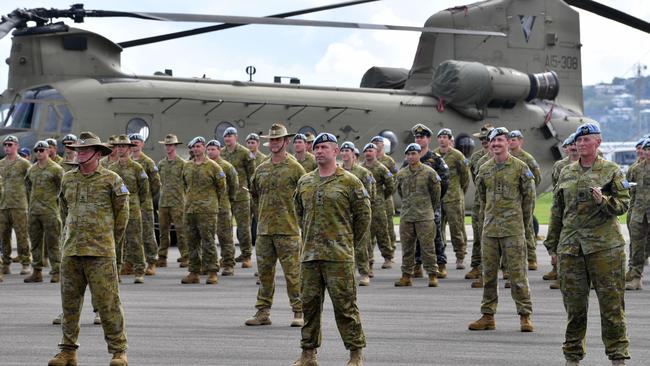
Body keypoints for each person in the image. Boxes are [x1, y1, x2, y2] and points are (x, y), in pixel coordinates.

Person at [544, 123, 630, 366]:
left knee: (612, 306)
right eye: (578, 141)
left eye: (586, 140)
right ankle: (572, 357)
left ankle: (617, 357)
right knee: (574, 307)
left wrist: (604, 201)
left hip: (605, 249)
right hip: (571, 248)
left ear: (598, 143)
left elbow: (623, 205)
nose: (581, 144)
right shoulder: (565, 172)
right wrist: (553, 245)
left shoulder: (612, 171)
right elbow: (557, 210)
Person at [47, 131, 129, 366]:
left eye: (84, 150)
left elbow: (122, 215)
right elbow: (64, 210)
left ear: (97, 154)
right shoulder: (68, 179)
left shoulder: (111, 179)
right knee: (69, 304)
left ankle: (118, 351)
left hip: (101, 252)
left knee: (108, 303)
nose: (79, 153)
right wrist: (69, 237)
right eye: (78, 150)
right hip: (72, 250)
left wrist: (109, 241)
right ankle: (67, 351)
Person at [292, 132, 371, 366]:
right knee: (309, 306)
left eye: (324, 147)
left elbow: (363, 217)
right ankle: (308, 354)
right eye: (316, 148)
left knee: (345, 306)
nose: (319, 151)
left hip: (339, 256)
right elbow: (299, 212)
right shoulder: (305, 181)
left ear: (336, 152)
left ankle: (355, 354)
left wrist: (347, 243)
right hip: (310, 256)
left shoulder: (350, 182)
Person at [469, 127, 535, 333]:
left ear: (508, 142)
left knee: (517, 275)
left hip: (513, 230)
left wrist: (522, 225)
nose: (495, 144)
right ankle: (488, 316)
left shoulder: (520, 168)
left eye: (499, 140)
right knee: (488, 275)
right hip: (490, 231)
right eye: (492, 141)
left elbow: (529, 200)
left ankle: (525, 316)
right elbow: (480, 199)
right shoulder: (484, 168)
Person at [245, 124, 306, 327]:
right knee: (264, 274)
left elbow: (304, 198)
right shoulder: (261, 168)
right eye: (271, 140)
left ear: (286, 142)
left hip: (288, 230)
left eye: (278, 140)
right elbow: (254, 195)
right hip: (264, 230)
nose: (274, 143)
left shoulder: (296, 169)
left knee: (293, 273)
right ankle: (263, 312)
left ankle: (299, 311)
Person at [181, 136, 227, 285]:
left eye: (199, 146)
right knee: (192, 242)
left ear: (204, 148)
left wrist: (212, 203)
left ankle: (212, 271)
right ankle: (194, 272)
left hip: (207, 210)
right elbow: (184, 185)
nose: (196, 149)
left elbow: (222, 188)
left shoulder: (213, 167)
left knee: (208, 241)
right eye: (193, 147)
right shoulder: (187, 166)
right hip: (190, 209)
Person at [394, 143, 441, 287]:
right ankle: (406, 276)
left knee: (428, 247)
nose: (410, 156)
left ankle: (432, 275)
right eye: (408, 154)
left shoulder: (429, 172)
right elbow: (401, 193)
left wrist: (428, 209)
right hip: (407, 216)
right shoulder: (401, 173)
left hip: (424, 216)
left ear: (419, 154)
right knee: (407, 248)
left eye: (413, 154)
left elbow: (436, 194)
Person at [408, 124, 450, 278]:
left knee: (436, 233)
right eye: (417, 137)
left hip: (431, 204)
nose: (419, 139)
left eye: (422, 137)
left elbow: (445, 181)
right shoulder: (410, 159)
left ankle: (441, 263)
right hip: (414, 205)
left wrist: (435, 200)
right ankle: (417, 265)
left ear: (428, 139)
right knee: (414, 235)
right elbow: (402, 182)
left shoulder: (435, 159)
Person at [108, 135, 149, 284]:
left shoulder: (137, 167)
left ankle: (139, 271)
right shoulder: (111, 168)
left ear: (129, 148)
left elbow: (145, 190)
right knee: (116, 241)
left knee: (135, 240)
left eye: (123, 146)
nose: (119, 149)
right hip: (116, 210)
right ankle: (116, 271)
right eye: (118, 146)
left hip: (132, 208)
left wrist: (136, 202)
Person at [24, 141, 64, 284]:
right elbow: (28, 187)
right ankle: (37, 272)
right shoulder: (32, 170)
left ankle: (56, 271)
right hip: (34, 211)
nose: (39, 152)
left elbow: (62, 188)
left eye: (42, 150)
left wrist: (55, 202)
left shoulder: (56, 169)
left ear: (48, 151)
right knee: (35, 243)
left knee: (53, 242)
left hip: (50, 211)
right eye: (37, 150)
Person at [545, 133, 579, 290]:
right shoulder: (560, 166)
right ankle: (560, 274)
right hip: (564, 211)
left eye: (575, 144)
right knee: (560, 242)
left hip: (583, 212)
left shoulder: (589, 164)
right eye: (569, 144)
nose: (572, 147)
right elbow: (556, 188)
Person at [434, 128, 470, 269]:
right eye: (440, 137)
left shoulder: (457, 156)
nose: (442, 139)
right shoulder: (434, 155)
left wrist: (459, 192)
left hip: (454, 198)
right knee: (438, 229)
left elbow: (465, 178)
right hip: (439, 197)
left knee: (457, 228)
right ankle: (440, 256)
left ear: (450, 140)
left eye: (445, 137)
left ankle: (460, 256)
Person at [340, 141, 374, 286]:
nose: (345, 153)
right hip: (343, 214)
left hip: (359, 213)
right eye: (343, 150)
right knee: (344, 244)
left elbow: (370, 193)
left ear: (354, 154)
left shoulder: (363, 172)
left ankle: (364, 273)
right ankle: (348, 272)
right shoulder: (338, 171)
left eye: (348, 150)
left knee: (361, 245)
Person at [508, 130, 542, 270]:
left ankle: (532, 258)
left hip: (525, 198)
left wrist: (529, 192)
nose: (511, 142)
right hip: (511, 198)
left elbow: (537, 177)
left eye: (514, 140)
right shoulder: (507, 157)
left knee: (527, 227)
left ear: (521, 141)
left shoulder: (527, 158)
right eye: (509, 139)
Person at [222, 127, 255, 268]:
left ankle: (246, 255)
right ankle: (227, 256)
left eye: (230, 136)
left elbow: (251, 174)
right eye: (226, 136)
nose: (228, 138)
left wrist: (251, 192)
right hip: (225, 196)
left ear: (236, 137)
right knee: (225, 227)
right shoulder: (221, 153)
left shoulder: (244, 153)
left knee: (243, 227)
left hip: (241, 196)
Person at [129, 133, 161, 276]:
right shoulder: (126, 162)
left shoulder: (148, 162)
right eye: (132, 142)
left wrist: (146, 197)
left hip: (144, 205)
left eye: (137, 142)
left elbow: (155, 184)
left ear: (142, 144)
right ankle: (130, 262)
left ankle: (152, 262)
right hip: (129, 204)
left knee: (148, 233)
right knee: (130, 235)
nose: (135, 144)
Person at [0, 135, 32, 276]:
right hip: (3, 205)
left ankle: (25, 263)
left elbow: (32, 181)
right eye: (5, 144)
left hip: (19, 204)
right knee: (4, 236)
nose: (7, 147)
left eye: (10, 144)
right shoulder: (1, 164)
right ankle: (5, 264)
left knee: (22, 235)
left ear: (17, 146)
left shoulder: (24, 164)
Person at [205, 139, 238, 276]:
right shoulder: (204, 166)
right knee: (207, 237)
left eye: (214, 149)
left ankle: (228, 263)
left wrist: (229, 200)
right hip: (207, 207)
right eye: (209, 149)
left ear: (219, 150)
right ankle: (209, 263)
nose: (211, 152)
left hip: (223, 206)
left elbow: (234, 185)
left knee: (225, 236)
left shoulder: (227, 166)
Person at [465, 123, 493, 282]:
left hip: (495, 202)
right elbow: (475, 180)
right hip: (479, 202)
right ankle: (476, 265)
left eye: (486, 138)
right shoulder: (476, 158)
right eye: (481, 139)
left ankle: (504, 268)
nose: (483, 141)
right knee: (478, 235)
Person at [156, 134, 189, 268]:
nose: (168, 147)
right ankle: (162, 257)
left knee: (181, 231)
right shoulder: (161, 164)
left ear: (175, 146)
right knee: (163, 232)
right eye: (166, 145)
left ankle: (186, 256)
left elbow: (187, 182)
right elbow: (158, 182)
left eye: (170, 145)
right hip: (164, 202)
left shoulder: (182, 164)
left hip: (178, 202)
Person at [361, 142, 395, 269]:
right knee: (366, 233)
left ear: (375, 152)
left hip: (379, 204)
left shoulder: (381, 168)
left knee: (382, 231)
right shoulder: (361, 168)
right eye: (366, 151)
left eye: (371, 151)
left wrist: (382, 196)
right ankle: (369, 259)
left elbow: (391, 184)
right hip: (365, 204)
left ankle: (388, 257)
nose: (368, 153)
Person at [626, 138, 650, 290]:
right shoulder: (636, 169)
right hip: (639, 214)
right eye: (646, 149)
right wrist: (631, 213)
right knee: (637, 247)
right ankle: (636, 277)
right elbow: (631, 191)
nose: (647, 152)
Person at [371, 136, 399, 259]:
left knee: (387, 226)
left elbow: (395, 179)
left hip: (386, 199)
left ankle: (390, 250)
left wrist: (386, 193)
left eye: (379, 142)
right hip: (373, 200)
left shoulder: (389, 161)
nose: (377, 144)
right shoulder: (369, 160)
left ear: (383, 145)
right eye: (374, 142)